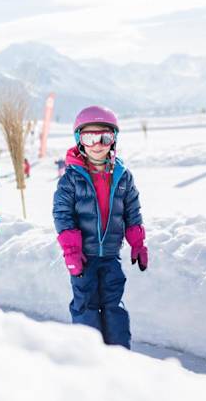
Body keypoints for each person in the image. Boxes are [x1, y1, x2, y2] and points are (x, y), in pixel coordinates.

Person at [52, 105, 147, 349]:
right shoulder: (71, 179)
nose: (97, 144)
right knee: (86, 304)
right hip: (83, 257)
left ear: (113, 140)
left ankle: (118, 353)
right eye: (89, 138)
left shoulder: (123, 176)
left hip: (111, 255)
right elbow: (63, 215)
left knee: (113, 304)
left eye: (104, 137)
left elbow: (132, 211)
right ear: (79, 141)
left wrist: (137, 243)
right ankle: (90, 354)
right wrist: (72, 251)